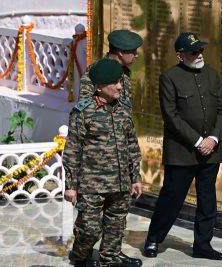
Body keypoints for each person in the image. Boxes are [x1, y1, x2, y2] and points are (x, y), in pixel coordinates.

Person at [143, 32, 222, 260]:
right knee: (172, 197)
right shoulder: (169, 78)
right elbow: (171, 116)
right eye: (193, 51)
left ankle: (203, 245)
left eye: (200, 50)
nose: (199, 54)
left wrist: (213, 139)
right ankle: (154, 239)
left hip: (212, 151)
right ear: (181, 55)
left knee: (207, 200)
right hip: (182, 152)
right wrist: (199, 142)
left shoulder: (212, 75)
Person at [63, 58, 143, 267]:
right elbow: (72, 149)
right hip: (92, 184)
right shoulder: (83, 112)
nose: (119, 86)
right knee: (89, 229)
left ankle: (110, 259)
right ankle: (80, 256)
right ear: (99, 87)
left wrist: (136, 178)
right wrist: (71, 186)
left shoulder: (124, 108)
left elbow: (132, 145)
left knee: (116, 225)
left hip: (121, 182)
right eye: (114, 83)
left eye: (120, 82)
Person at [78, 29, 143, 110]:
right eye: (133, 52)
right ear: (121, 53)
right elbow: (84, 107)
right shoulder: (96, 71)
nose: (136, 55)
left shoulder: (125, 71)